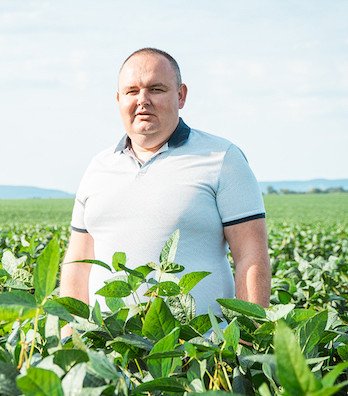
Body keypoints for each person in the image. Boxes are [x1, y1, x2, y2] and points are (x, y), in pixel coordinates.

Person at [60, 48, 270, 330]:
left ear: (181, 95)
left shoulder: (222, 158)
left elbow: (251, 254)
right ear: (119, 99)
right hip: (108, 351)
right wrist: (69, 336)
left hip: (200, 355)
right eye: (132, 91)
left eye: (156, 89)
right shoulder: (98, 167)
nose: (142, 101)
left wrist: (247, 335)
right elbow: (78, 262)